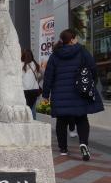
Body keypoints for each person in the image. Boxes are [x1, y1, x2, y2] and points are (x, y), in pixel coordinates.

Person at [42, 29, 104, 161]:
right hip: (79, 92)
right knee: (81, 118)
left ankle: (63, 149)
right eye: (75, 38)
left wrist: (46, 94)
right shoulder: (82, 51)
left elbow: (48, 76)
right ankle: (83, 144)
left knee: (61, 121)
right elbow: (93, 67)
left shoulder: (55, 55)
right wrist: (92, 81)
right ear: (72, 39)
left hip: (60, 94)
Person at [21, 49, 42, 120]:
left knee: (25, 109)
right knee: (33, 109)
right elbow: (40, 76)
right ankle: (34, 122)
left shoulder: (20, 65)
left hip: (24, 91)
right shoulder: (36, 65)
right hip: (34, 91)